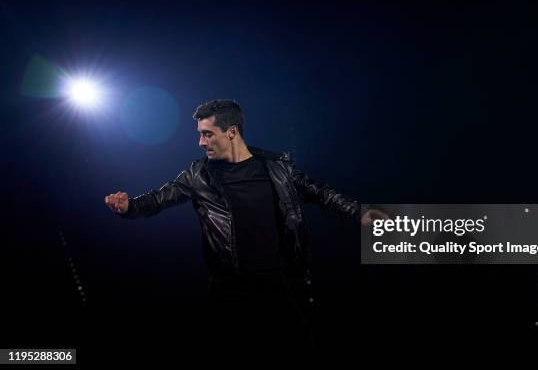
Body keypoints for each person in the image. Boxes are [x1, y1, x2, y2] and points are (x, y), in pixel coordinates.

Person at [104, 99, 388, 346]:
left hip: (281, 284)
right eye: (200, 135)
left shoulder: (276, 166)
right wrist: (130, 206)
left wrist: (357, 211)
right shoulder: (198, 174)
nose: (201, 142)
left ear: (232, 132)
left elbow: (318, 191)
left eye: (207, 134)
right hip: (231, 291)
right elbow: (158, 199)